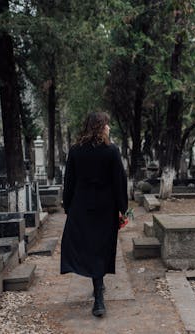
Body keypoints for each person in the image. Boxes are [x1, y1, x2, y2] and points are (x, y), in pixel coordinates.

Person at [60, 111, 128, 317]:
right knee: (100, 248)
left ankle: (98, 288)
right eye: (107, 124)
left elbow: (69, 181)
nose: (109, 128)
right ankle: (99, 299)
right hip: (105, 208)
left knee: (89, 248)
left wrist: (68, 207)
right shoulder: (111, 150)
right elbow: (120, 182)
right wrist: (122, 209)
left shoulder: (75, 151)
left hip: (81, 207)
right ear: (100, 127)